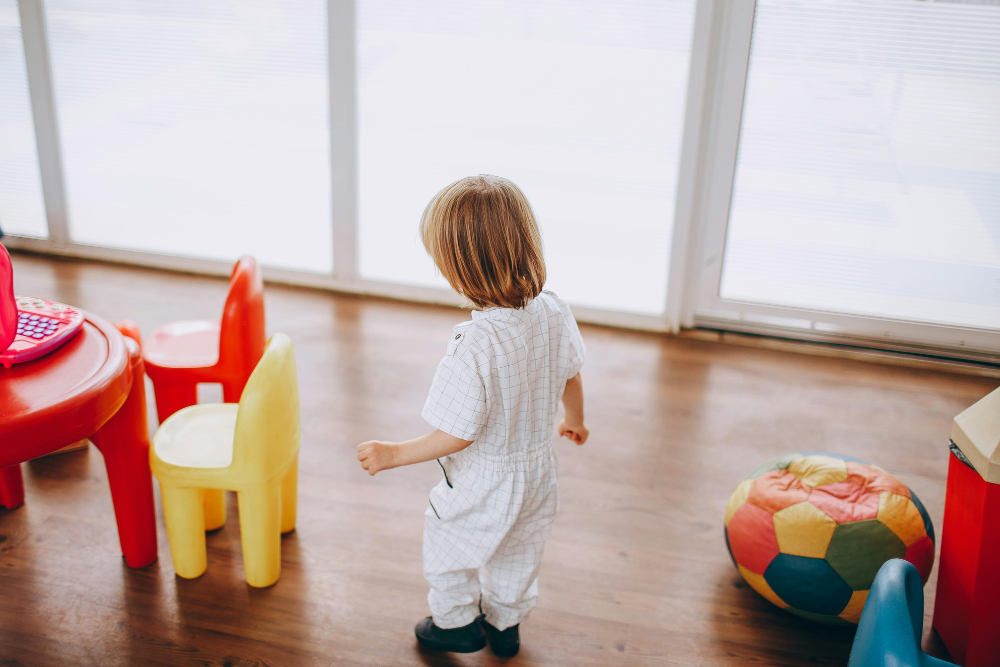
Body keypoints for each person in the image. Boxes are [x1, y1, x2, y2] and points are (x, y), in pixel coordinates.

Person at [357, 175, 588, 657]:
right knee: (519, 549)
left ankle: (456, 623)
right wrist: (575, 420)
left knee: (450, 545)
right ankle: (505, 624)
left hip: (485, 478)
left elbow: (457, 433)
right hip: (537, 471)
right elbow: (571, 374)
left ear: (459, 272)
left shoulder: (473, 344)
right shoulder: (553, 310)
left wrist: (394, 454)